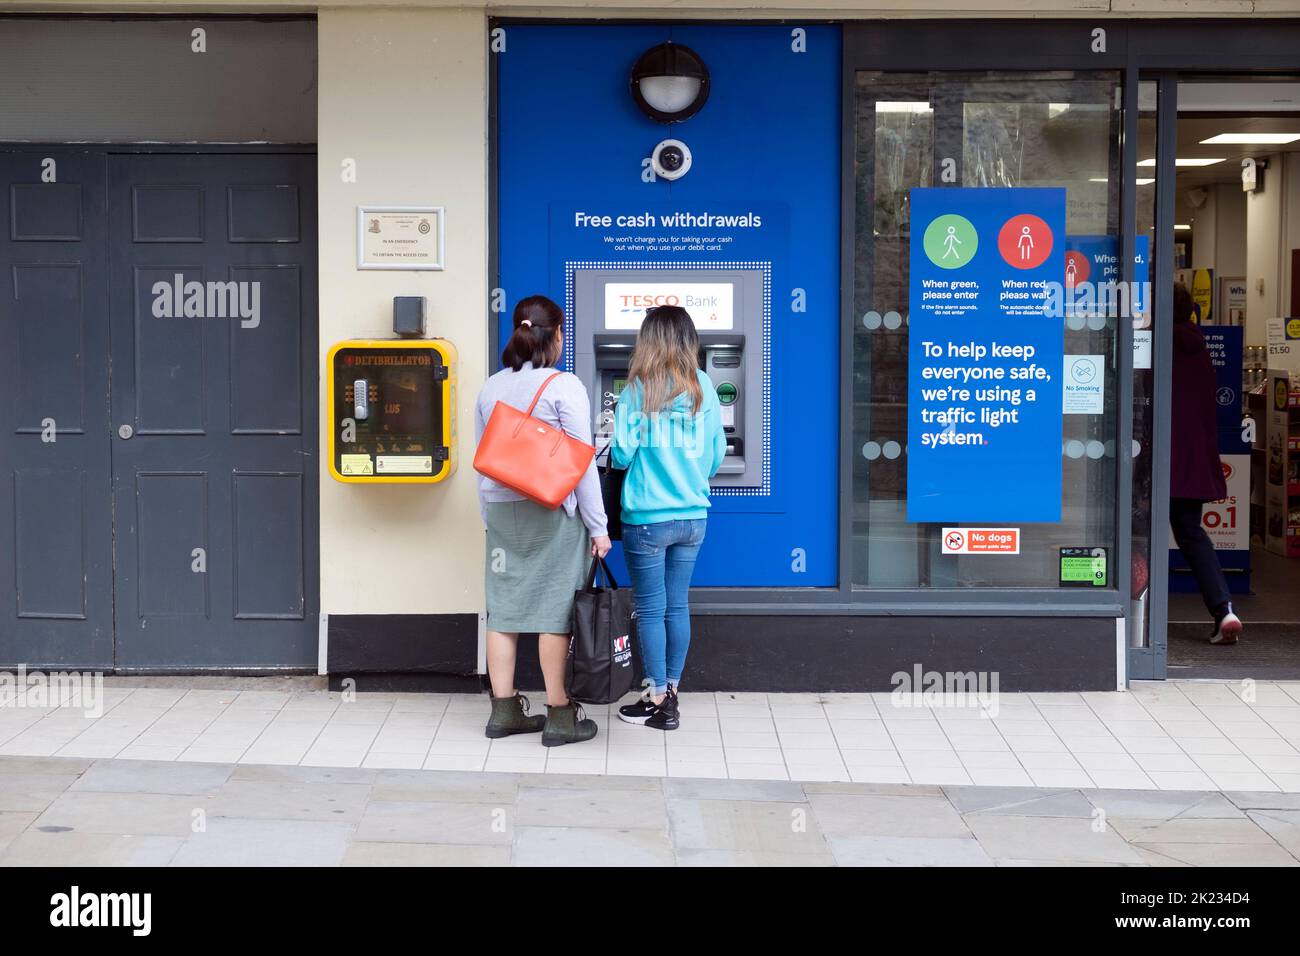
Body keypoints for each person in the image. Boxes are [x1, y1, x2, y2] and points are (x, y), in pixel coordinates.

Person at [475, 295, 612, 744]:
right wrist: (598, 527)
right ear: (556, 335)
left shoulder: (491, 387)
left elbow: (484, 461)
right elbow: (582, 463)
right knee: (555, 612)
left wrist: (488, 518)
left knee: (504, 610)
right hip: (552, 511)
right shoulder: (563, 385)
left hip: (502, 511)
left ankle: (503, 711)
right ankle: (558, 714)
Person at [612, 306, 726, 730]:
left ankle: (658, 697)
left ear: (648, 341)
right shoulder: (705, 387)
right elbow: (715, 456)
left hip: (647, 517)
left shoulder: (637, 390)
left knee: (650, 606)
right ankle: (671, 691)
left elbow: (621, 454)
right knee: (677, 605)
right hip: (693, 515)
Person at [1170, 282, 1242, 645]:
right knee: (1192, 535)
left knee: (1134, 535)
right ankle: (1224, 608)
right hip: (1193, 462)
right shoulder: (1199, 349)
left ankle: (1133, 612)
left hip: (1157, 461)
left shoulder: (1158, 345)